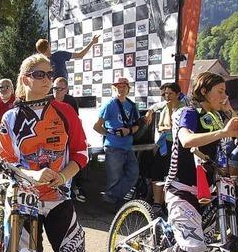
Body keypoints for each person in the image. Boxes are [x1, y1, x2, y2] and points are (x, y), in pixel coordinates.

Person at [0, 53, 114, 252]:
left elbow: (81, 153)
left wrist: (63, 176)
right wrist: (32, 175)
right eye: (41, 74)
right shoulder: (10, 117)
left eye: (50, 74)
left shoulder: (65, 111)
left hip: (58, 197)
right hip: (24, 200)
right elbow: (6, 160)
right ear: (26, 78)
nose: (48, 79)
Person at [138, 72, 238, 252]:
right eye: (220, 91)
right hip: (181, 187)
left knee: (199, 249)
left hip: (207, 190)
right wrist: (223, 131)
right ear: (204, 91)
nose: (224, 95)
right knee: (193, 248)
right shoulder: (188, 112)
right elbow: (186, 140)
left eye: (225, 92)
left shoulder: (218, 116)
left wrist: (230, 113)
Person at [93, 77, 141, 208]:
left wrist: (128, 131)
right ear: (115, 88)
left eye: (123, 86)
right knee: (114, 178)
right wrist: (110, 134)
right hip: (113, 147)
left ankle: (110, 197)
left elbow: (137, 125)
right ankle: (114, 203)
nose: (121, 89)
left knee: (133, 174)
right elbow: (97, 126)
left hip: (128, 146)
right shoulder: (109, 104)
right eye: (118, 86)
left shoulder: (132, 105)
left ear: (128, 89)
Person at [143, 82, 186, 210]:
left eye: (170, 93)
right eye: (165, 93)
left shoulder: (184, 107)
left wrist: (167, 128)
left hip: (178, 145)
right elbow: (156, 106)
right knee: (157, 171)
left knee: (172, 174)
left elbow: (175, 127)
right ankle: (157, 203)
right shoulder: (164, 105)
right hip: (164, 144)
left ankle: (168, 204)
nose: (167, 96)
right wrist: (149, 112)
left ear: (178, 94)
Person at [52, 77, 85, 202]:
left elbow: (76, 122)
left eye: (60, 89)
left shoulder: (71, 101)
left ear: (66, 90)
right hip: (54, 135)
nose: (57, 91)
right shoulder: (48, 100)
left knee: (77, 158)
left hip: (68, 134)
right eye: (55, 88)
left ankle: (78, 187)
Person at [35, 35, 100, 80]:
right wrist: (92, 42)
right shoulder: (59, 54)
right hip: (62, 89)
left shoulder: (41, 63)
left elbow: (80, 55)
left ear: (39, 51)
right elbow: (80, 55)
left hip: (52, 90)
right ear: (49, 46)